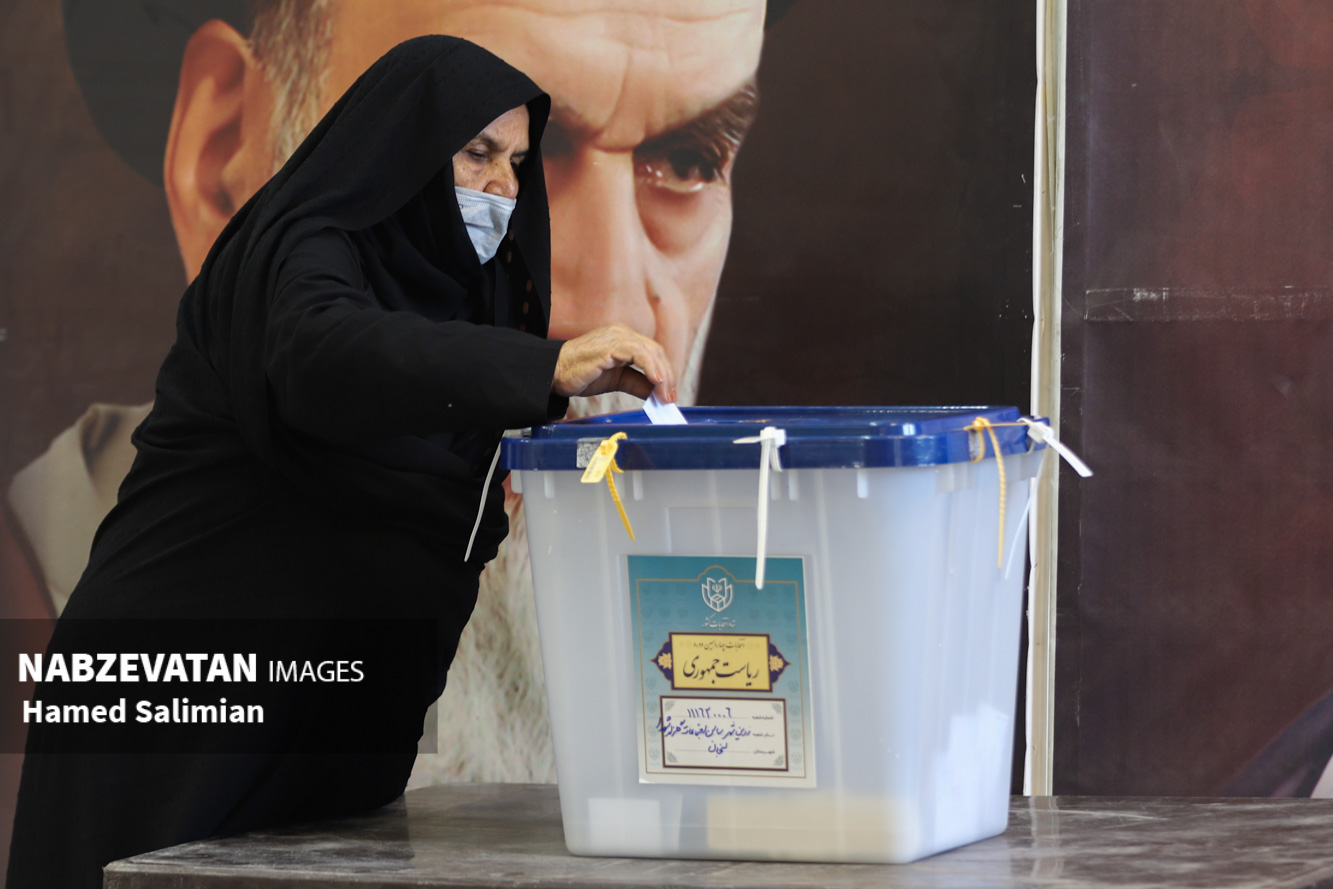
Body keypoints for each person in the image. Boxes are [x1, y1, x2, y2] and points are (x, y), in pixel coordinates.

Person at [2, 0, 773, 791]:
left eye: (687, 161)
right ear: (224, 163)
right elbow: (327, 352)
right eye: (475, 154)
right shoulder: (300, 257)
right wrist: (537, 371)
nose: (609, 304)